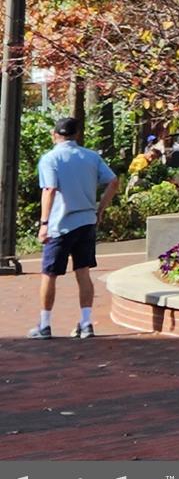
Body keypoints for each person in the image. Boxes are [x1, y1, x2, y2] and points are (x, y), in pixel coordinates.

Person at [30, 115, 120, 339]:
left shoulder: (50, 159)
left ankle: (44, 324)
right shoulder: (91, 157)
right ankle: (87, 322)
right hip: (86, 221)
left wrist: (44, 224)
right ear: (77, 135)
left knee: (49, 274)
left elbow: (49, 190)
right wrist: (100, 210)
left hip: (60, 224)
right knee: (83, 272)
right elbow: (113, 181)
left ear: (54, 135)